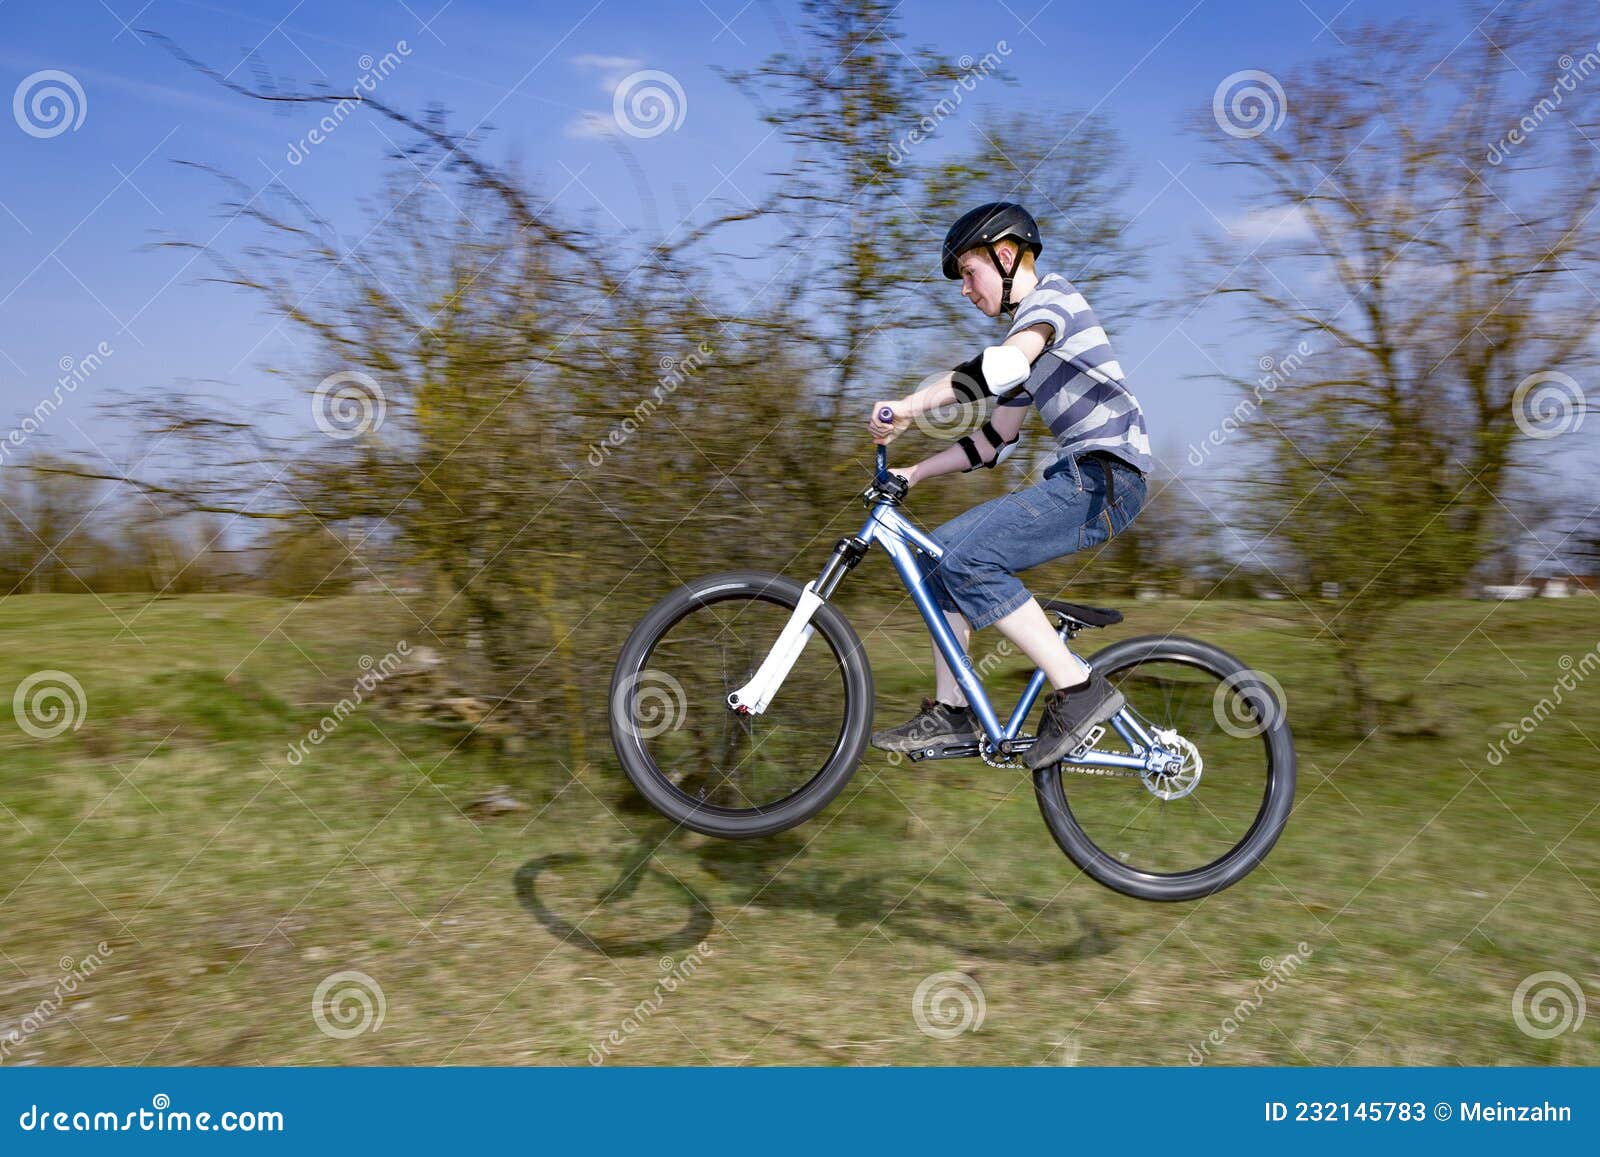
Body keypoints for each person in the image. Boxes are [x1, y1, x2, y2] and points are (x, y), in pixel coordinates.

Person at [866, 202, 1151, 769]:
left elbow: (999, 368)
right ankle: (951, 714)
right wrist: (913, 472)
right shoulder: (1027, 347)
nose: (966, 291)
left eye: (969, 274)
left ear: (1005, 255)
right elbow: (993, 441)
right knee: (939, 560)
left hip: (1106, 477)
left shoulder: (1052, 301)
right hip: (1084, 477)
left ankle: (1078, 687)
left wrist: (910, 407)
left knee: (969, 560)